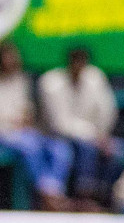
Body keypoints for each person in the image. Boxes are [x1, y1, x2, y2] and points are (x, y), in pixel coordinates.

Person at [38, 45, 124, 206]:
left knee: (120, 150)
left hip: (96, 136)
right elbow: (60, 124)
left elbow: (107, 111)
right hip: (57, 137)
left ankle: (102, 198)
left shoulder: (95, 78)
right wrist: (94, 136)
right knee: (86, 148)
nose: (79, 67)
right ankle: (83, 198)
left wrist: (102, 135)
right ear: (69, 63)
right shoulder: (51, 82)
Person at [0, 40, 73, 210]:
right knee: (30, 145)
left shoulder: (22, 81)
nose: (11, 62)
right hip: (4, 133)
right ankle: (47, 194)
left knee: (60, 148)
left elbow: (28, 111)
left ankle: (53, 190)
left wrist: (26, 120)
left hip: (24, 132)